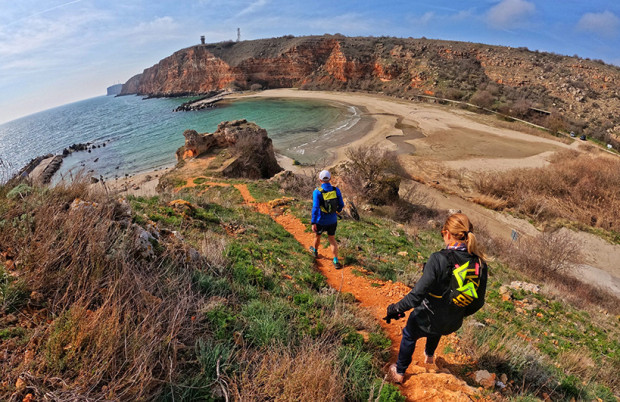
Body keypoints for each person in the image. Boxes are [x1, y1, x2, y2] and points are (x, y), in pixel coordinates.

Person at [384, 213, 488, 383]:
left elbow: (416, 296)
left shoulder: (438, 259)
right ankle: (429, 356)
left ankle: (400, 372)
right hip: (452, 323)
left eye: (443, 235)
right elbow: (479, 302)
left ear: (447, 233)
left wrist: (395, 309)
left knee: (410, 333)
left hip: (428, 319)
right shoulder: (480, 263)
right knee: (439, 317)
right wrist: (458, 312)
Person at [310, 169, 345, 269]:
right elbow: (341, 204)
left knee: (317, 236)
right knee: (332, 239)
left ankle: (315, 252)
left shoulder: (317, 192)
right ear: (330, 179)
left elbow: (315, 208)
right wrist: (335, 211)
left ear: (320, 180)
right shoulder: (336, 190)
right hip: (333, 220)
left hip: (321, 220)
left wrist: (313, 222)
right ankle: (336, 260)